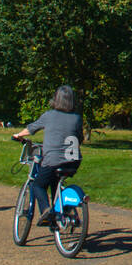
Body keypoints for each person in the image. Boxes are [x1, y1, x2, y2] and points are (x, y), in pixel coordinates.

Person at [13, 85, 84, 227]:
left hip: (53, 160)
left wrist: (18, 135)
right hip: (73, 161)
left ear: (56, 99)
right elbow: (79, 138)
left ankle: (46, 210)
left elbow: (31, 128)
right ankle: (58, 214)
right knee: (55, 181)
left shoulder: (49, 115)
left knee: (38, 185)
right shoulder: (77, 118)